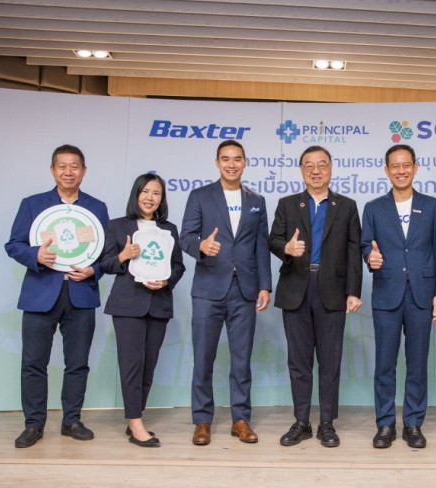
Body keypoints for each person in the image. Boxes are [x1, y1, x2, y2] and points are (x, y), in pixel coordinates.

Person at [5, 144, 109, 448]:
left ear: (84, 171)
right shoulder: (33, 204)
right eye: (62, 166)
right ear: (52, 170)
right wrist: (35, 255)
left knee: (78, 363)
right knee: (33, 363)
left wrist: (93, 271)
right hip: (41, 292)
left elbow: (105, 254)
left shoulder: (97, 207)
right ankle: (34, 424)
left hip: (81, 293)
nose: (68, 172)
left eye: (74, 166)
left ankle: (71, 420)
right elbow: (14, 245)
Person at [268, 146, 362, 448]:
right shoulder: (287, 204)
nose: (315, 171)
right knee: (299, 361)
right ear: (301, 170)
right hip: (296, 286)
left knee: (330, 361)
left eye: (321, 164)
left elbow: (353, 250)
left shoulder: (346, 206)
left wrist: (353, 291)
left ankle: (327, 423)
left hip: (332, 290)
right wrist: (286, 248)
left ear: (331, 168)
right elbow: (273, 239)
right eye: (309, 165)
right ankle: (301, 422)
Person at [180, 140, 272, 446]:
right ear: (217, 163)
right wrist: (201, 246)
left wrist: (264, 285)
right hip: (208, 289)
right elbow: (186, 236)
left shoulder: (257, 200)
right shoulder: (200, 196)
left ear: (245, 163)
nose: (231, 164)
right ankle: (202, 420)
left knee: (241, 360)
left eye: (237, 159)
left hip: (244, 290)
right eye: (225, 159)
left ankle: (240, 419)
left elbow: (260, 245)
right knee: (203, 358)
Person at [360, 144, 436, 449]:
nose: (401, 171)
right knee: (384, 364)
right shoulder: (373, 207)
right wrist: (370, 257)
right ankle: (385, 424)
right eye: (395, 166)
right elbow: (365, 245)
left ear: (415, 167)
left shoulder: (432, 206)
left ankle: (413, 424)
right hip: (387, 293)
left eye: (406, 165)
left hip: (422, 295)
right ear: (387, 170)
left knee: (417, 364)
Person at [101, 173, 185, 448]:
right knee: (131, 365)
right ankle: (136, 423)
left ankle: (135, 418)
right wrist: (123, 256)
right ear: (136, 194)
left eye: (156, 193)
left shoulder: (169, 229)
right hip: (128, 305)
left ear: (162, 199)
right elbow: (106, 264)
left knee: (148, 366)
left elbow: (178, 265)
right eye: (145, 191)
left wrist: (167, 280)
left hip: (158, 304)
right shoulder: (118, 225)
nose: (150, 197)